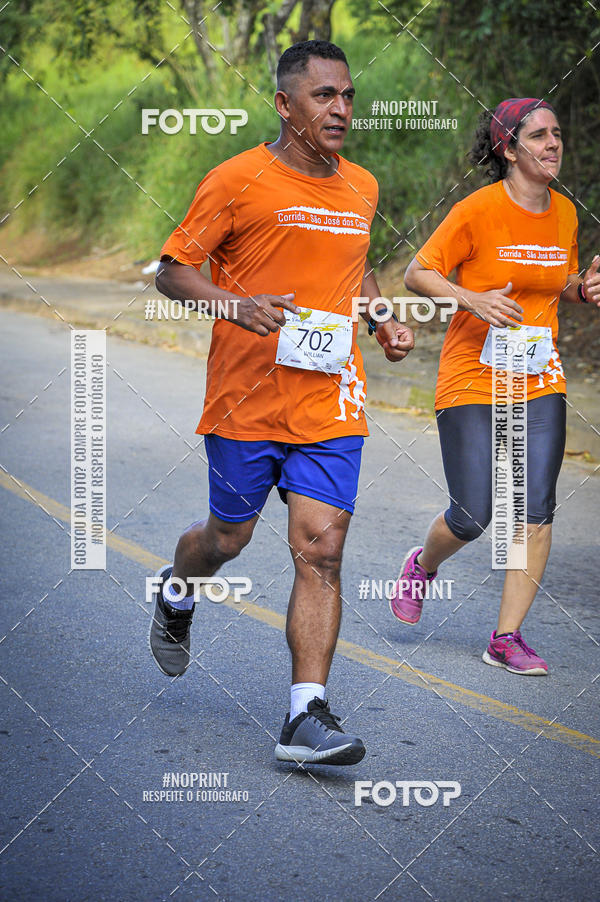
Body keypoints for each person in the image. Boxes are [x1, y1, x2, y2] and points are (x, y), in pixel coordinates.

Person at [150, 40, 414, 764]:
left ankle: (306, 716)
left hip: (332, 401)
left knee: (321, 553)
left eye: (348, 96)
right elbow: (171, 274)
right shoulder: (236, 180)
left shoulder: (361, 186)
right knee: (225, 541)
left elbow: (353, 275)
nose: (341, 109)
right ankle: (179, 587)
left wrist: (382, 317)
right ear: (284, 104)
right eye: (324, 96)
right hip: (246, 399)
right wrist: (234, 306)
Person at [390, 97, 600, 675]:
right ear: (509, 148)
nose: (554, 143)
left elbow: (557, 282)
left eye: (558, 133)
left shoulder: (564, 214)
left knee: (534, 509)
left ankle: (506, 637)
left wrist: (583, 289)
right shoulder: (477, 210)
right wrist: (471, 298)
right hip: (472, 377)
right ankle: (422, 565)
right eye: (539, 135)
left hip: (538, 376)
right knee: (475, 512)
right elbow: (418, 272)